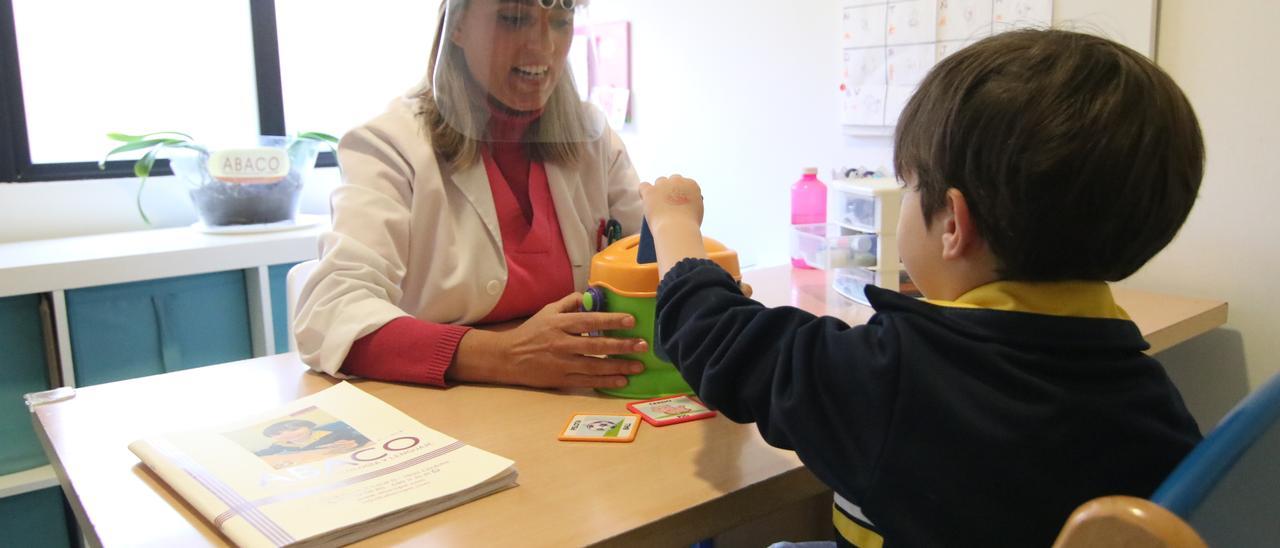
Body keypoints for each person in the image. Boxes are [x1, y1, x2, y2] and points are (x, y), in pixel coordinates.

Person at [640, 30, 1204, 546]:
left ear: (953, 224)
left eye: (908, 184)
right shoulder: (1151, 396)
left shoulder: (896, 378)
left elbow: (716, 334)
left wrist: (673, 224)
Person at [295, 0, 648, 390]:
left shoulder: (592, 138)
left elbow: (650, 265)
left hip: (569, 403)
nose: (544, 48)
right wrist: (505, 355)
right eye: (514, 19)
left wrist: (676, 231)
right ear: (458, 25)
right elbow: (329, 313)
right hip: (441, 413)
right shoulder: (391, 145)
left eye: (562, 21)